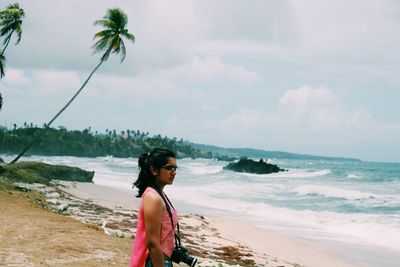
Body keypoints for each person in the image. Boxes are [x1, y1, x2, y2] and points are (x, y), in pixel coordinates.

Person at [130, 148, 178, 267]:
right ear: (154, 170)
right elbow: (152, 243)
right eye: (169, 168)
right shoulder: (153, 197)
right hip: (155, 262)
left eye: (175, 168)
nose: (174, 172)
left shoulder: (160, 195)